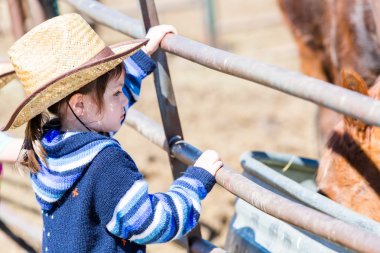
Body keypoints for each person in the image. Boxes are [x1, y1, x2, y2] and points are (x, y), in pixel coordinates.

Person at [0, 13, 223, 253]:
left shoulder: (45, 145)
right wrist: (196, 182)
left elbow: (107, 104)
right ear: (80, 106)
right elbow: (151, 222)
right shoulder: (105, 163)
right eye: (117, 94)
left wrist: (144, 54)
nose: (124, 99)